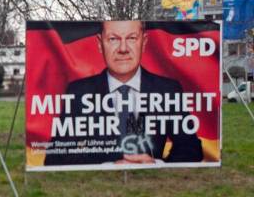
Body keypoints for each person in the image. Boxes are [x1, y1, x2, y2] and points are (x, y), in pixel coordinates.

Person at [44, 20, 203, 166]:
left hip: (152, 186)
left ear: (144, 42)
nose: (123, 49)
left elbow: (192, 150)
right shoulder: (79, 92)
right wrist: (107, 167)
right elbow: (55, 157)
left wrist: (157, 166)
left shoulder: (168, 89)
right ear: (100, 44)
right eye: (113, 39)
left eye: (132, 38)